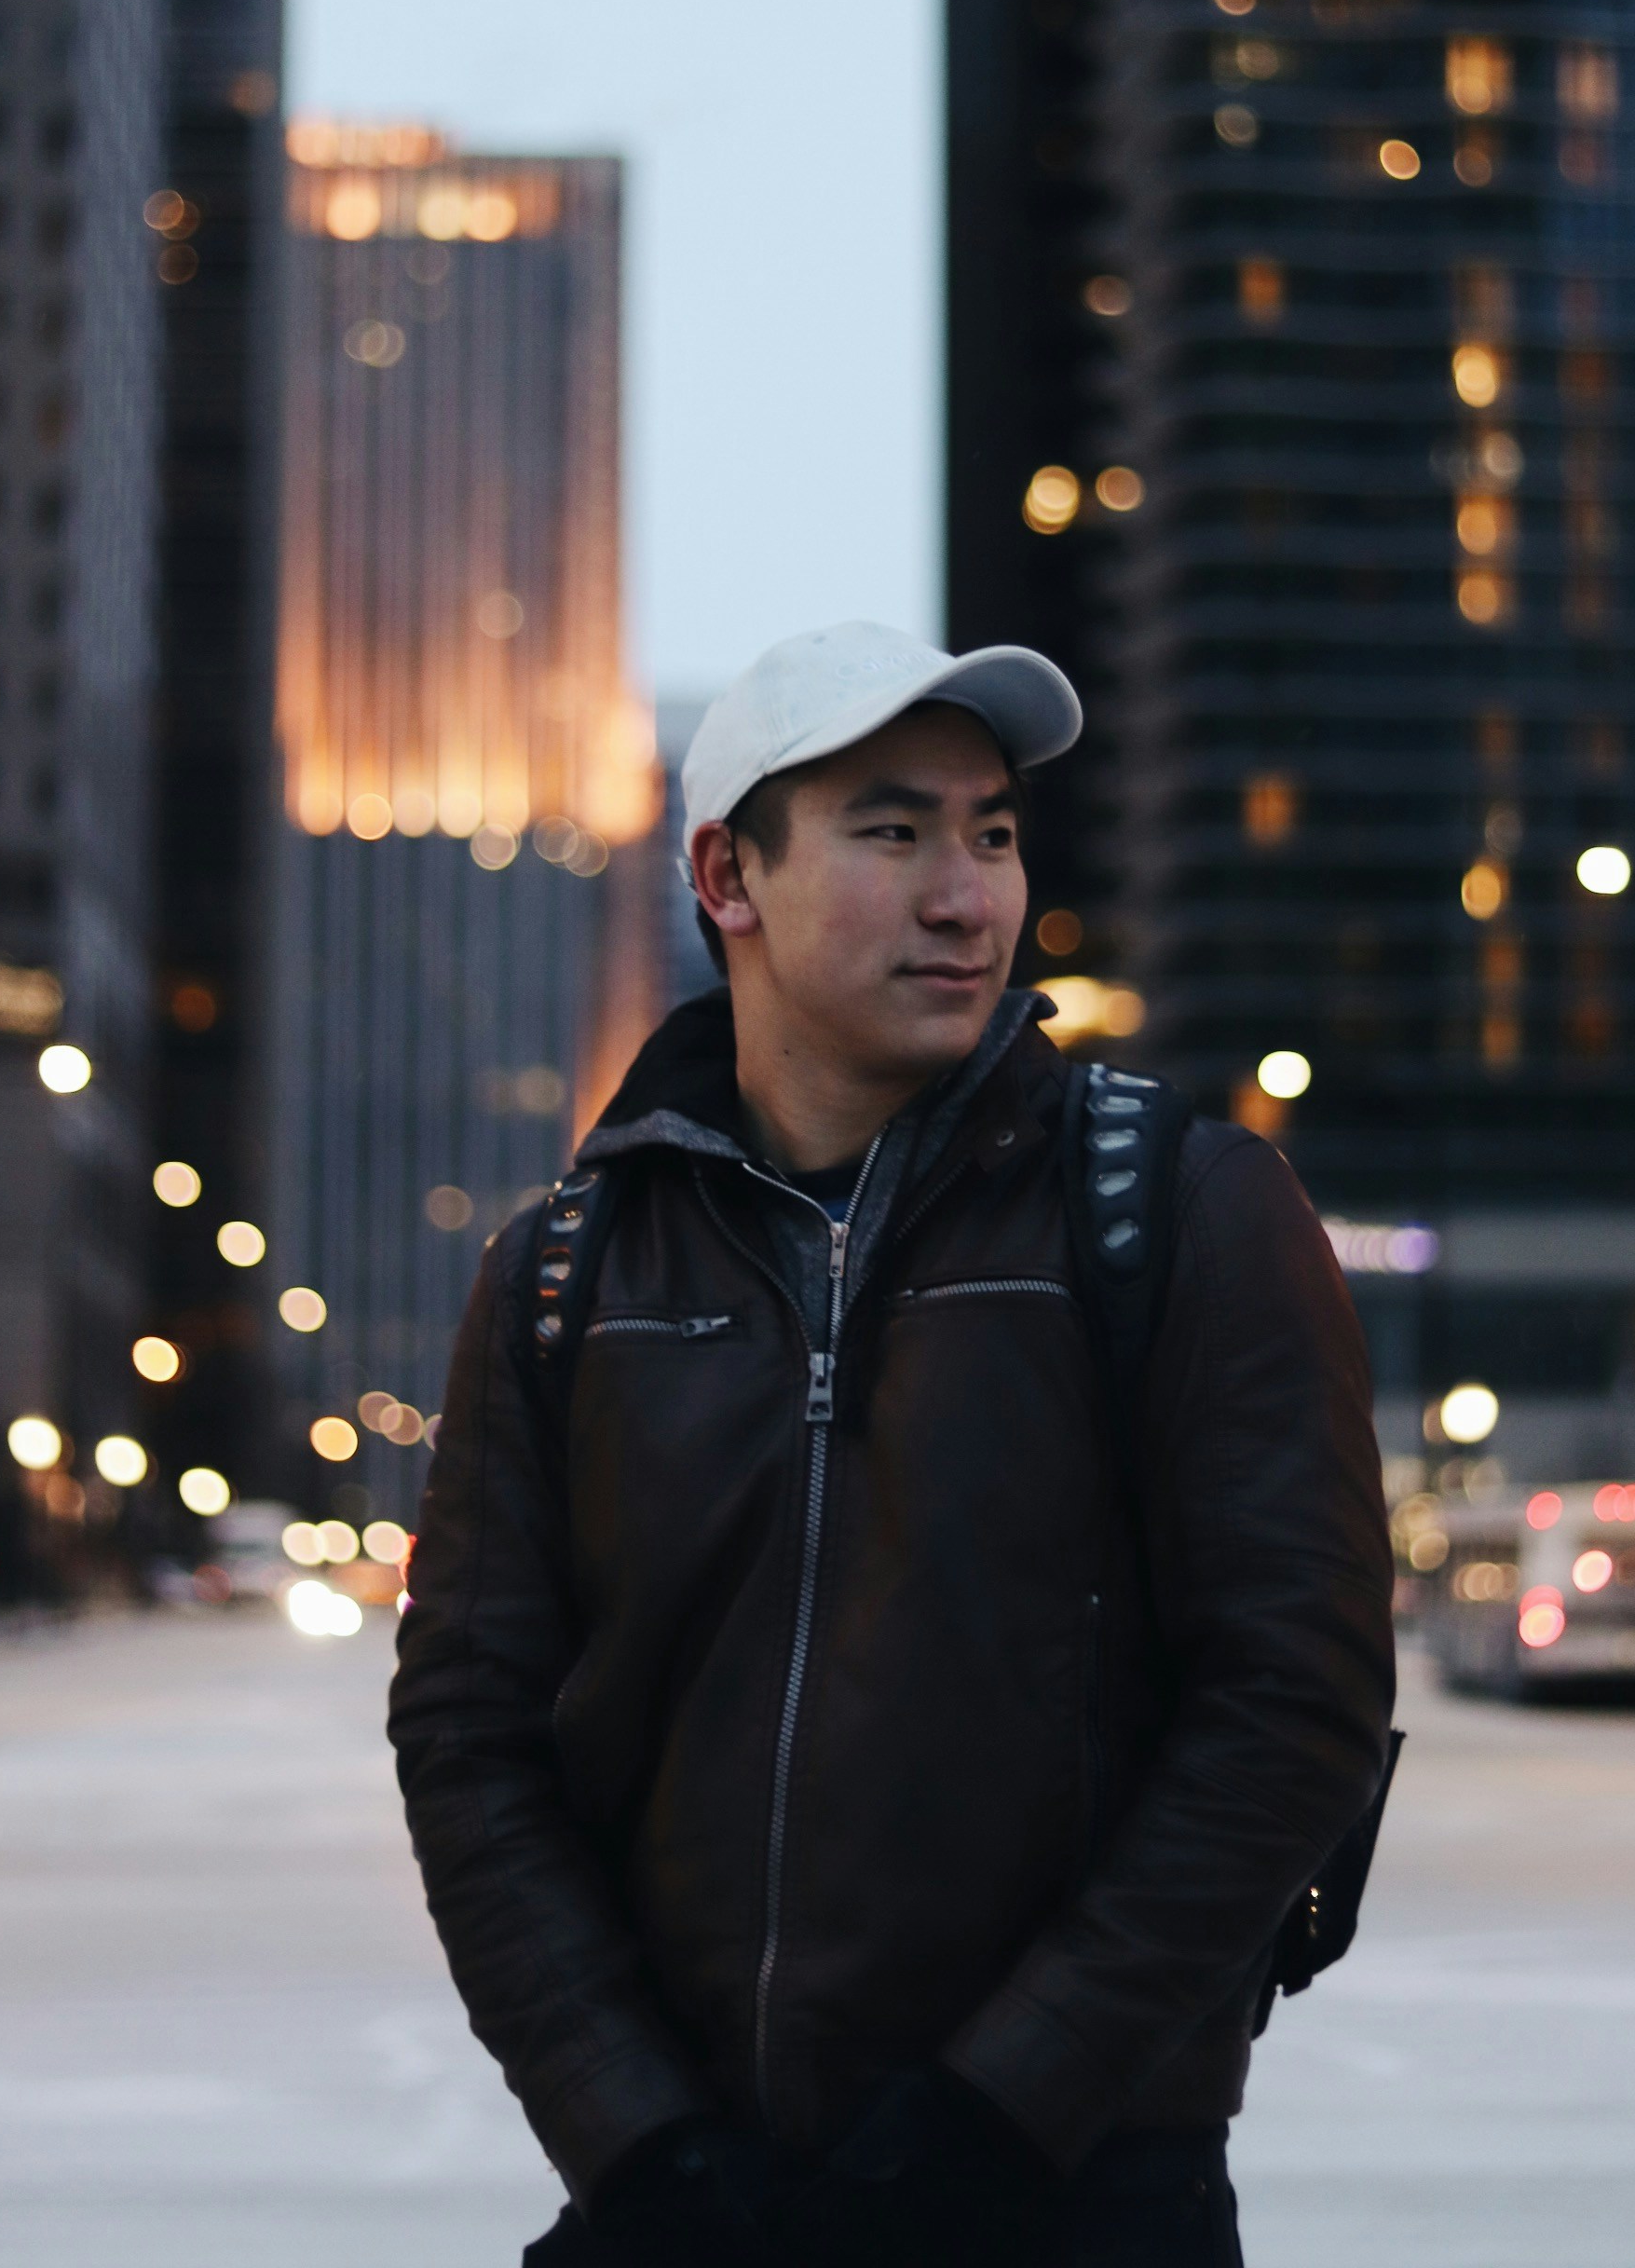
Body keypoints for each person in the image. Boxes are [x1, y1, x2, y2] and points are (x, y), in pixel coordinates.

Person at [389, 621, 1395, 2267]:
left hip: (1073, 2196)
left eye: (993, 833)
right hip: (691, 2200)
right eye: (894, 830)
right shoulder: (566, 1270)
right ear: (729, 878)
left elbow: (1298, 1704)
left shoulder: (1180, 1214)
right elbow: (470, 1735)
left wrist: (993, 2117)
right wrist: (632, 2142)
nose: (967, 894)